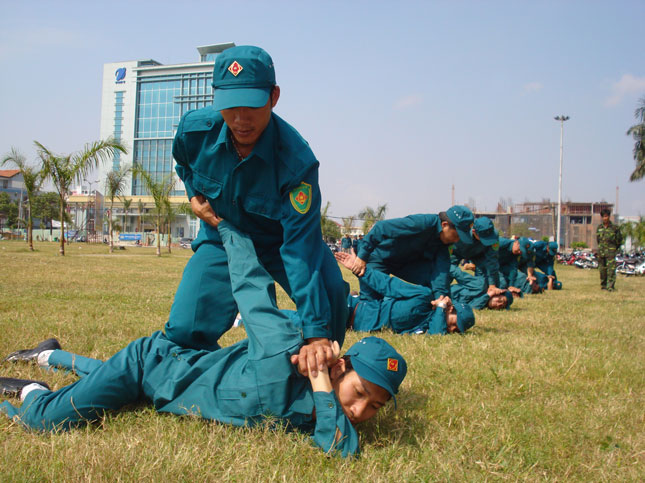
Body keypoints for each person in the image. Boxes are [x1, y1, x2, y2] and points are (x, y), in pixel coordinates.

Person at [1, 221, 406, 458]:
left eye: (374, 406)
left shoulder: (321, 407)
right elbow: (250, 284)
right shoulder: (285, 349)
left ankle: (49, 355)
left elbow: (341, 450)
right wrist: (227, 226)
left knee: (105, 378)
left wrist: (321, 386)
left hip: (170, 382)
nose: (360, 410)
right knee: (43, 421)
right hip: (152, 365)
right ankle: (34, 389)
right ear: (340, 366)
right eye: (359, 392)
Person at [168, 45, 349, 373]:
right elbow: (184, 162)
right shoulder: (195, 131)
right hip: (221, 238)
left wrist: (316, 335)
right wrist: (194, 194)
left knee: (330, 301)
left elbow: (300, 251)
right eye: (229, 106)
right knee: (184, 330)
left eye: (251, 105)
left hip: (280, 244)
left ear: (274, 96)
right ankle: (207, 375)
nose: (240, 119)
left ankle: (310, 368)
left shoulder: (296, 163)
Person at [349, 206, 475, 301]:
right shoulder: (422, 223)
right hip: (380, 257)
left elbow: (441, 273)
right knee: (372, 302)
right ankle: (353, 298)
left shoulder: (445, 244)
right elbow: (381, 227)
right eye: (458, 234)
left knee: (435, 282)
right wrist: (362, 257)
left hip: (405, 265)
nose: (458, 239)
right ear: (445, 225)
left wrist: (441, 299)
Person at [334, 251, 474, 335]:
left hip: (351, 323)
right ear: (451, 308)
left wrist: (440, 308)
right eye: (455, 323)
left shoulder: (430, 322)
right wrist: (358, 269)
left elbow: (436, 334)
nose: (452, 328)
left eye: (456, 330)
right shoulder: (424, 296)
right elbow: (390, 285)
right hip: (353, 309)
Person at [450, 217, 502, 294]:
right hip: (457, 252)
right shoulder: (462, 232)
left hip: (479, 255)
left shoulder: (494, 236)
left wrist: (492, 285)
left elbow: (492, 260)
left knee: (485, 285)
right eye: (483, 238)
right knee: (447, 274)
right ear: (474, 232)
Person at [449, 265, 513, 310]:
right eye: (500, 300)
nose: (499, 304)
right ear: (497, 293)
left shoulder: (482, 304)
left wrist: (488, 295)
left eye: (502, 306)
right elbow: (458, 273)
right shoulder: (480, 285)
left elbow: (472, 307)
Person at [596, 208, 622, 291]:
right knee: (602, 270)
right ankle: (603, 285)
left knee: (611, 270)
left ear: (609, 217)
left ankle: (610, 286)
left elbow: (619, 240)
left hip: (610, 252)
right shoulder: (599, 228)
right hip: (601, 252)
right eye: (603, 216)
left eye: (606, 216)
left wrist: (614, 248)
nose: (605, 218)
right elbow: (598, 240)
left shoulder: (614, 228)